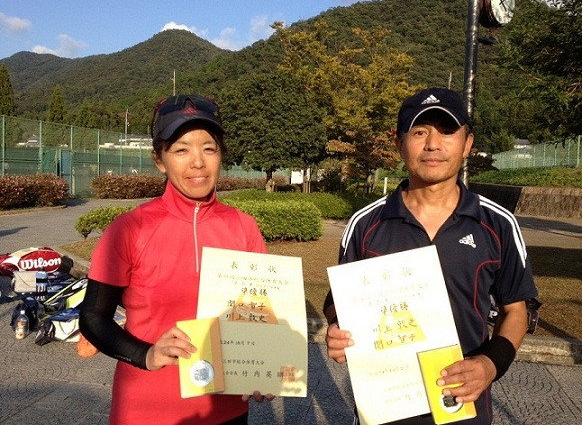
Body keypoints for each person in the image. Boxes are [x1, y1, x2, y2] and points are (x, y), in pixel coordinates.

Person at [323, 87, 538, 424]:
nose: (433, 144)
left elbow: (516, 310)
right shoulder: (365, 224)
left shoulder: (498, 223)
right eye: (420, 132)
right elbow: (339, 301)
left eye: (447, 131)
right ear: (399, 143)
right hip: (383, 407)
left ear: (467, 143)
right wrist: (338, 329)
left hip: (463, 408)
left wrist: (489, 364)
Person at [80, 95, 271, 424]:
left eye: (209, 148)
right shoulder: (129, 229)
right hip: (146, 411)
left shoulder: (244, 227)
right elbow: (93, 318)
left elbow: (260, 316)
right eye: (181, 150)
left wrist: (266, 368)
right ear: (159, 159)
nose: (198, 162)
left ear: (221, 155)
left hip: (227, 410)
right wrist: (147, 354)